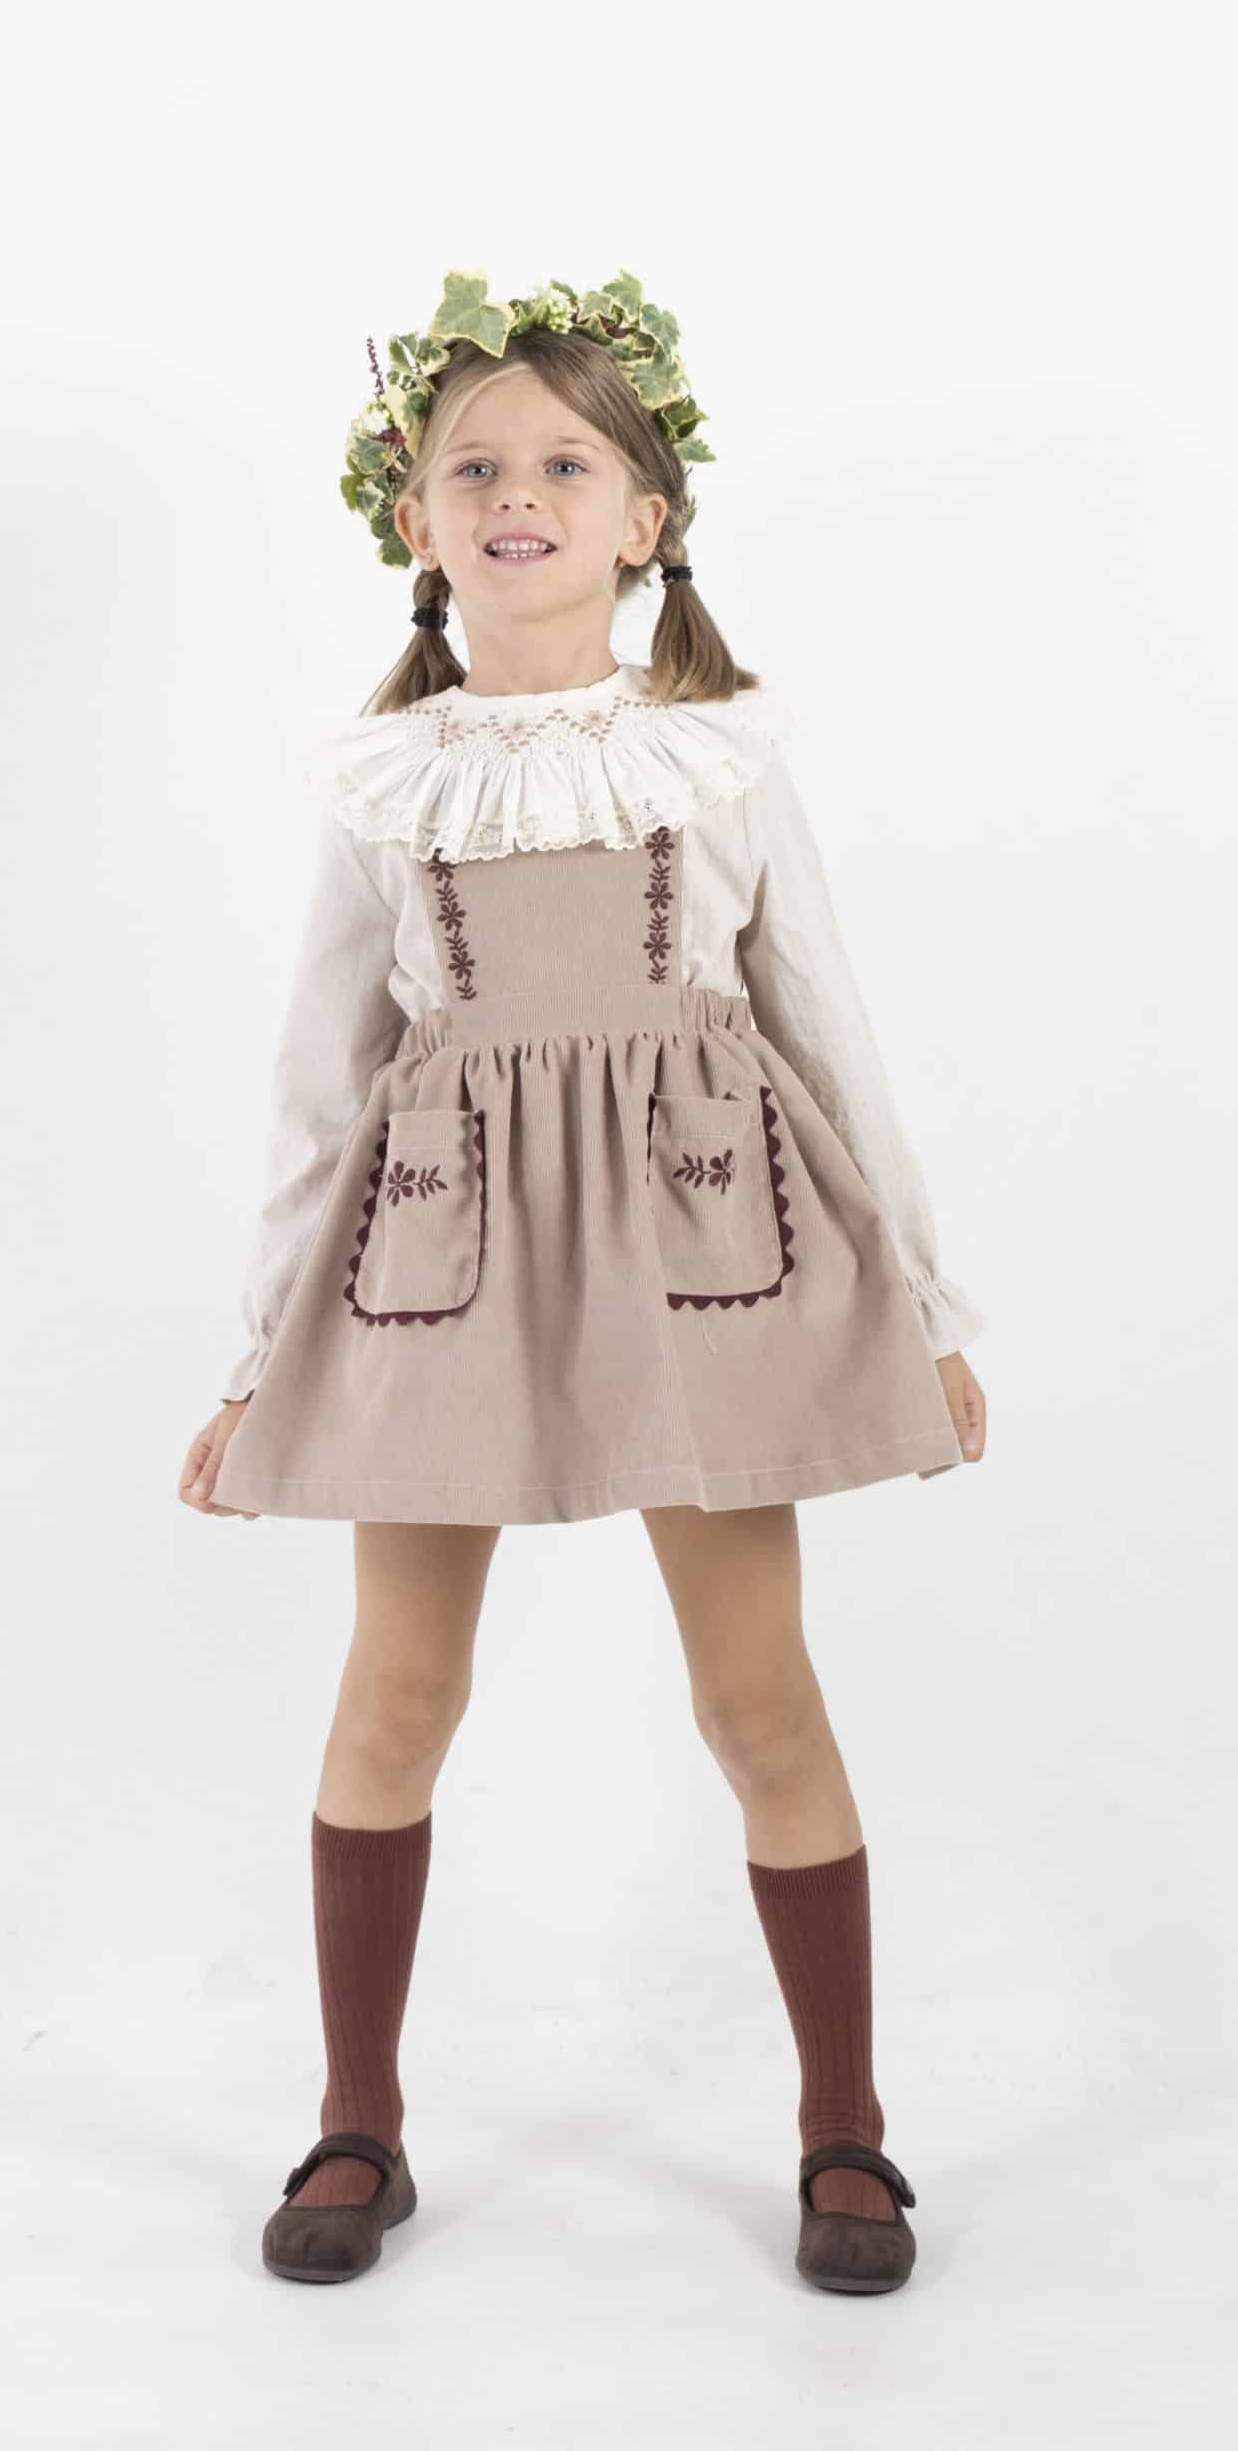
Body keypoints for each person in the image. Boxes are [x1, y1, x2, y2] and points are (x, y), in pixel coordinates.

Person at [177, 270, 987, 2294]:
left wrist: (926, 1309)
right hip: (437, 1258)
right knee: (398, 1689)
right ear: (413, 519)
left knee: (754, 1694)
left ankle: (843, 2124)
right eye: (473, 469)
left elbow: (825, 1027)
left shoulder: (711, 759)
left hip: (703, 1254)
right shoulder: (388, 784)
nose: (515, 494)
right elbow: (319, 1085)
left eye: (561, 464)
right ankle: (357, 2115)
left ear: (645, 517)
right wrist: (258, 1357)